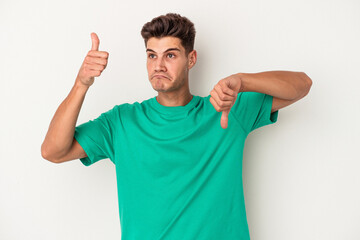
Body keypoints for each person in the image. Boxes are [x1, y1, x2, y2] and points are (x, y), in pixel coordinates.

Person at [41, 13, 312, 240]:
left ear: (191, 59)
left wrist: (243, 80)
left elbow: (302, 85)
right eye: (151, 56)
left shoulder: (225, 108)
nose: (158, 65)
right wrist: (81, 84)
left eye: (170, 55)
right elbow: (53, 150)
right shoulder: (122, 122)